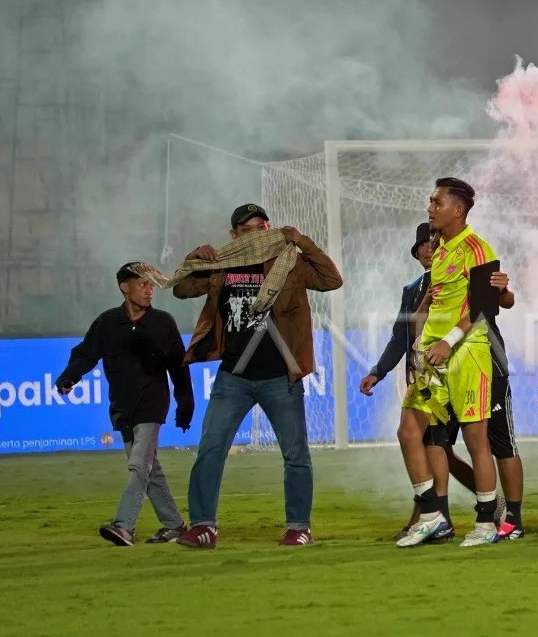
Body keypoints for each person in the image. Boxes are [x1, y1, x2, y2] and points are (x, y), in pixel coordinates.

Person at [170, 203, 343, 548]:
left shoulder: (289, 262)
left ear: (270, 229)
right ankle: (204, 526)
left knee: (295, 453)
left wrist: (302, 241)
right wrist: (195, 255)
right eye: (246, 231)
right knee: (210, 448)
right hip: (233, 374)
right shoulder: (221, 264)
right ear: (234, 236)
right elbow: (181, 289)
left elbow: (331, 280)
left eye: (260, 228)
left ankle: (299, 527)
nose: (254, 236)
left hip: (281, 374)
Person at [359, 225, 526, 540]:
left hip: (483, 362)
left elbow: (496, 303)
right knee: (435, 443)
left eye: (433, 241)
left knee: (496, 443)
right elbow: (403, 335)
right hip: (436, 372)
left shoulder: (469, 263)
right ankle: (439, 517)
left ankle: (510, 515)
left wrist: (503, 291)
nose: (428, 248)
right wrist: (378, 371)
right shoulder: (414, 289)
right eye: (422, 243)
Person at [55, 262, 194, 546]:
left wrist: (184, 404)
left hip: (153, 403)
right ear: (124, 287)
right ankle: (175, 525)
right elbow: (86, 354)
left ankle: (124, 526)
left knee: (139, 464)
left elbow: (179, 368)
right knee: (149, 469)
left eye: (152, 285)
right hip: (122, 405)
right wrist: (69, 377)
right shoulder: (107, 322)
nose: (150, 290)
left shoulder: (163, 322)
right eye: (143, 284)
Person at [395, 178, 502, 548]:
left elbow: (483, 308)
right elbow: (437, 305)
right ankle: (431, 516)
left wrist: (448, 341)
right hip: (433, 357)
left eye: (436, 201)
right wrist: (420, 344)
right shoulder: (439, 251)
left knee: (476, 441)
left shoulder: (478, 248)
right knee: (409, 430)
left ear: (457, 209)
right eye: (430, 200)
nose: (430, 207)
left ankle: (487, 523)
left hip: (467, 355)